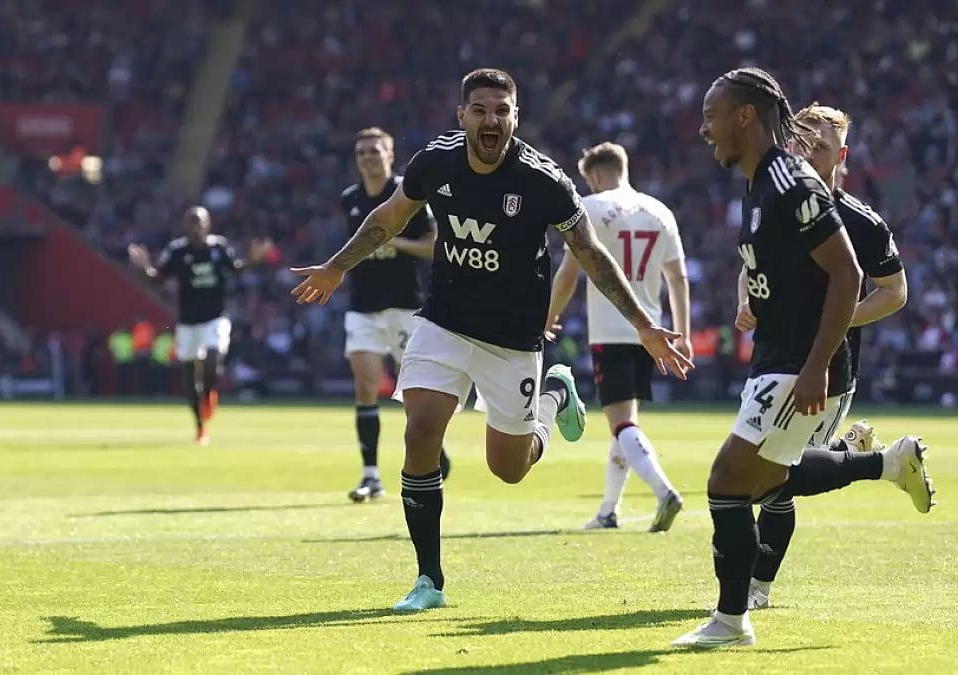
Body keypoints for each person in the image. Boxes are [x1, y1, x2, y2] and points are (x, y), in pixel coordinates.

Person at [291, 68, 691, 612]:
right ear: (462, 116)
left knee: (510, 468)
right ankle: (429, 580)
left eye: (501, 111)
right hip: (444, 323)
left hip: (512, 339)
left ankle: (553, 396)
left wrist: (645, 324)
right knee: (420, 432)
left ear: (515, 118)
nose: (491, 120)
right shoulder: (436, 161)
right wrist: (338, 267)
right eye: (479, 110)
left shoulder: (544, 180)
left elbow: (591, 253)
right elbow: (388, 218)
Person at [672, 67, 866, 648]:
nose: (704, 130)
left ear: (744, 117)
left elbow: (848, 273)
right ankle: (880, 463)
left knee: (729, 482)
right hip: (777, 360)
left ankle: (732, 621)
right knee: (759, 482)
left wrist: (816, 366)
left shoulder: (789, 181)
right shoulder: (759, 183)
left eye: (711, 117)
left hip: (795, 366)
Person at [738, 103, 932, 611]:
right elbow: (750, 260)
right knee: (770, 479)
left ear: (840, 156)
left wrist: (836, 322)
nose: (803, 152)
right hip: (773, 355)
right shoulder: (770, 194)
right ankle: (859, 453)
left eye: (817, 146)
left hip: (826, 368)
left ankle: (882, 462)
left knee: (769, 477)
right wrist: (745, 299)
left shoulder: (859, 221)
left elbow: (894, 291)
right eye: (798, 141)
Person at [545, 142, 689, 533]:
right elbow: (678, 278)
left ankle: (664, 492)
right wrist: (685, 334)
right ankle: (608, 511)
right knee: (627, 421)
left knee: (621, 424)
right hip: (652, 331)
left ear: (592, 175)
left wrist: (549, 315)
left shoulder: (589, 208)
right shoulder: (660, 212)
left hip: (611, 329)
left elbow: (568, 274)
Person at [341, 127, 451, 503]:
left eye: (375, 150)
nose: (368, 157)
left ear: (390, 155)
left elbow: (434, 246)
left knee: (415, 396)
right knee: (365, 387)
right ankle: (370, 475)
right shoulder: (350, 199)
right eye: (362, 152)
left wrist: (392, 240)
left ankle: (433, 449)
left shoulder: (410, 193)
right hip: (363, 307)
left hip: (407, 305)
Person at [127, 206, 271, 444]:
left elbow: (235, 270)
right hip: (188, 323)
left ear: (208, 224)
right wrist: (144, 268)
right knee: (189, 376)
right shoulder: (177, 251)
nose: (196, 227)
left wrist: (252, 261)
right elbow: (157, 279)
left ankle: (210, 391)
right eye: (191, 223)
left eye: (200, 222)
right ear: (185, 227)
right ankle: (200, 427)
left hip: (215, 317)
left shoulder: (219, 247)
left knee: (212, 358)